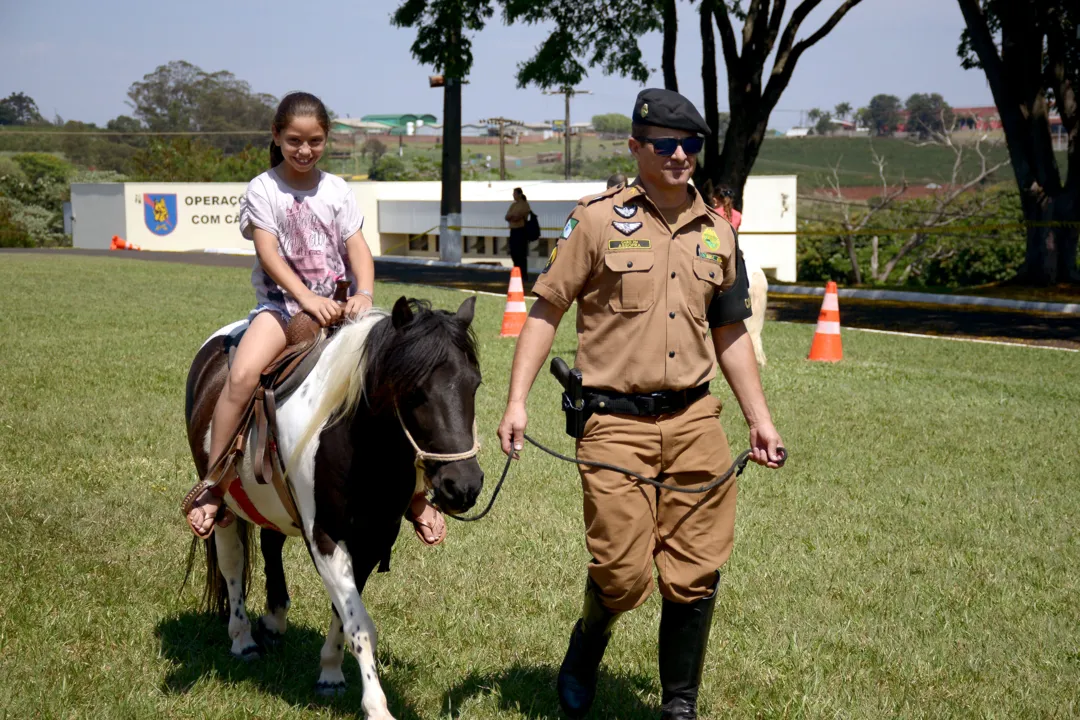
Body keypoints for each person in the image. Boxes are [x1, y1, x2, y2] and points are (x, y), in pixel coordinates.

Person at [497, 88, 785, 720]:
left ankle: (679, 704)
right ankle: (587, 644)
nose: (680, 155)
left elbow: (732, 332)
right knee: (624, 575)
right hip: (612, 423)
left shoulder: (716, 231)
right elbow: (547, 309)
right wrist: (516, 401)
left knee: (695, 571)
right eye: (665, 144)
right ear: (636, 147)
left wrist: (760, 421)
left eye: (691, 145)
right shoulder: (597, 219)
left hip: (694, 420)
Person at [182, 91, 446, 547]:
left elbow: (357, 247)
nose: (305, 150)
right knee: (242, 376)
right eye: (294, 141)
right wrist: (305, 298)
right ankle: (215, 484)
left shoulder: (338, 190)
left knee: (394, 379)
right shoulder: (264, 188)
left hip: (341, 308)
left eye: (315, 141)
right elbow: (268, 252)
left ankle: (414, 493)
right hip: (281, 310)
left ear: (327, 139)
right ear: (277, 137)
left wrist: (364, 293)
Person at [505, 187, 533, 283]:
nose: (513, 195)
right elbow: (507, 216)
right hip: (513, 231)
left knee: (521, 254)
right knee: (514, 253)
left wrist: (512, 217)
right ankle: (516, 274)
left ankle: (523, 276)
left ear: (519, 194)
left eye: (515, 193)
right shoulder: (513, 205)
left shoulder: (524, 205)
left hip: (521, 231)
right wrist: (512, 217)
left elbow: (518, 217)